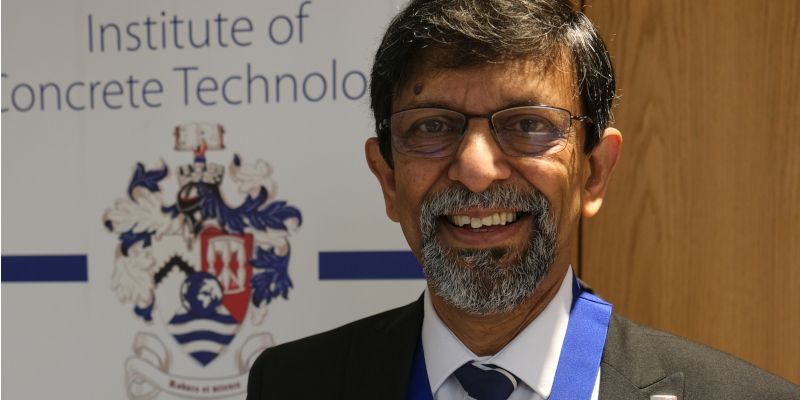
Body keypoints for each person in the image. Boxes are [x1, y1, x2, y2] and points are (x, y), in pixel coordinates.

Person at [246, 0, 800, 399]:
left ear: (595, 173)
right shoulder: (292, 384)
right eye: (433, 125)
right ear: (389, 179)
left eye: (529, 124)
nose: (477, 171)